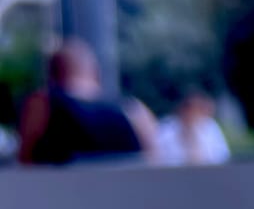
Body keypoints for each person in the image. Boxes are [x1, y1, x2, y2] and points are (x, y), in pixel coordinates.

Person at [18, 39, 157, 165]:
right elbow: (154, 161)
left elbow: (25, 159)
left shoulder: (41, 104)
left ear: (51, 75)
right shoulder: (134, 109)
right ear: (95, 73)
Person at [157, 88, 231, 166]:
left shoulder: (210, 126)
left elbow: (222, 157)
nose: (192, 114)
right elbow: (159, 159)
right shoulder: (167, 128)